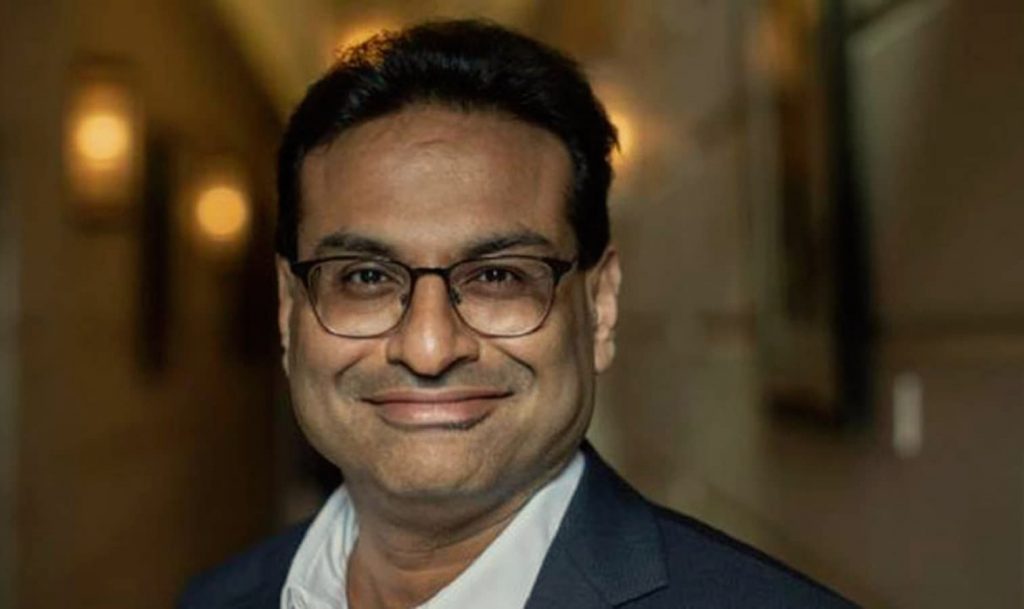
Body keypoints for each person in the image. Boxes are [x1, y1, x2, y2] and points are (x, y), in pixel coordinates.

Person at [179, 19, 856, 609]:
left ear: (599, 305)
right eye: (365, 276)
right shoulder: (215, 601)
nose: (429, 346)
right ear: (289, 311)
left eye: (498, 276)